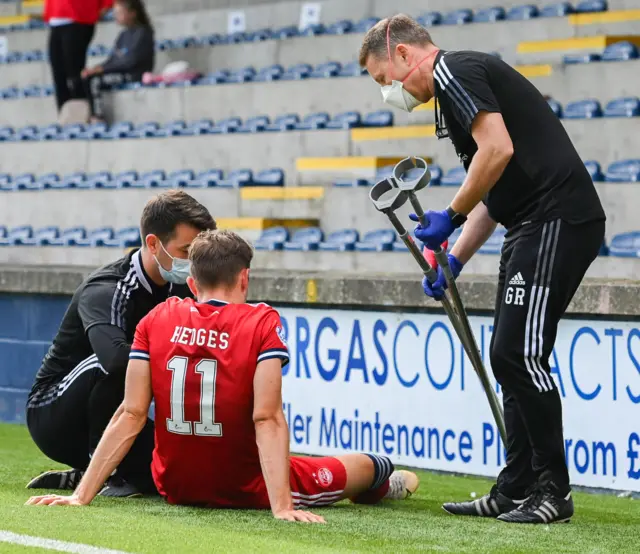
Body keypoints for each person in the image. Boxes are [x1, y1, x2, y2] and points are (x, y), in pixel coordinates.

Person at [359, 15, 605, 524]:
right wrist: (453, 256)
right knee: (507, 356)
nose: (390, 93)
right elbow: (494, 193)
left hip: (556, 216)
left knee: (519, 354)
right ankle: (515, 487)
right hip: (527, 222)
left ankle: (553, 492)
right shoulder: (452, 100)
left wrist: (448, 216)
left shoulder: (454, 72)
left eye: (386, 80)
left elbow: (498, 149)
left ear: (404, 54)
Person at [26, 230, 419, 521]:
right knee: (366, 465)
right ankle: (383, 480)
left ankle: (378, 484)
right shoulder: (262, 321)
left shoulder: (157, 318)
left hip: (174, 486)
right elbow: (267, 417)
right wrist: (281, 506)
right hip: (245, 486)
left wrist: (82, 496)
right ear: (244, 278)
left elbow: (129, 414)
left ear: (191, 282)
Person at [26, 191, 216, 498]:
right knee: (119, 360)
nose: (194, 262)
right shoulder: (106, 289)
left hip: (114, 414)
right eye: (187, 250)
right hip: (55, 414)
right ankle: (105, 473)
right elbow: (114, 360)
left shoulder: (183, 287)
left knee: (174, 475)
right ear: (153, 244)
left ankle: (92, 472)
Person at [81, 0, 155, 122]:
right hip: (121, 71)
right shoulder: (123, 35)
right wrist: (96, 68)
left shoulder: (143, 33)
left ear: (132, 13)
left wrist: (103, 69)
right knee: (87, 76)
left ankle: (98, 116)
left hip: (134, 74)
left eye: (119, 13)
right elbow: (113, 59)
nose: (116, 16)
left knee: (95, 81)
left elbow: (130, 61)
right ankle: (90, 113)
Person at [45, 0, 113, 114]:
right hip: (56, 20)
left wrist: (91, 15)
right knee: (59, 75)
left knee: (74, 74)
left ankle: (82, 114)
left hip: (77, 20)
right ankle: (66, 116)